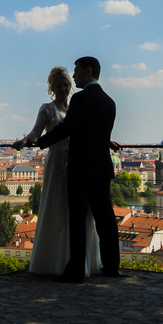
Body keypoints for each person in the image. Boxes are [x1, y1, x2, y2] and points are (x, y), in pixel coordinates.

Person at [32, 56, 120, 282]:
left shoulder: (80, 99)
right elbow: (97, 132)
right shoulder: (110, 102)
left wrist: (39, 142)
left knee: (78, 220)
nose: (74, 76)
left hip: (81, 168)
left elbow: (67, 129)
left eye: (77, 72)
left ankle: (76, 271)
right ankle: (112, 266)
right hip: (102, 167)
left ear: (88, 71)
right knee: (105, 219)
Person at [13, 67, 102, 276]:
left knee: (77, 211)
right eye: (59, 86)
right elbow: (36, 132)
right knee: (57, 208)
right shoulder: (47, 109)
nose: (63, 88)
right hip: (56, 163)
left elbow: (89, 134)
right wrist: (25, 140)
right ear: (52, 89)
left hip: (78, 163)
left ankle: (75, 262)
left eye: (66, 85)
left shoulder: (76, 108)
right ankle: (57, 263)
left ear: (70, 87)